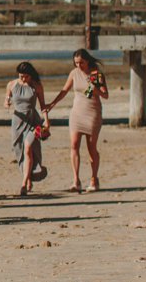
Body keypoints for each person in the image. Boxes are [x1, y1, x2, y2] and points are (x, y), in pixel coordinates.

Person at [43, 48, 108, 192]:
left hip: (92, 113)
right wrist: (51, 105)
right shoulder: (74, 73)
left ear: (87, 61)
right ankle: (76, 180)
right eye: (76, 63)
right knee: (74, 145)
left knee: (91, 148)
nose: (79, 66)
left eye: (82, 63)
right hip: (76, 113)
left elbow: (105, 95)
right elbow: (64, 91)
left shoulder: (95, 74)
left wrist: (95, 88)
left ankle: (94, 179)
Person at [4, 61, 50, 196]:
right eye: (21, 76)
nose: (23, 79)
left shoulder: (36, 86)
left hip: (32, 121)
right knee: (20, 151)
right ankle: (28, 177)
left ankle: (24, 183)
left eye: (26, 76)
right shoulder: (12, 84)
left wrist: (47, 122)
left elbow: (43, 106)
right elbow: (6, 99)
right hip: (17, 122)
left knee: (28, 147)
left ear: (31, 75)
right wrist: (7, 102)